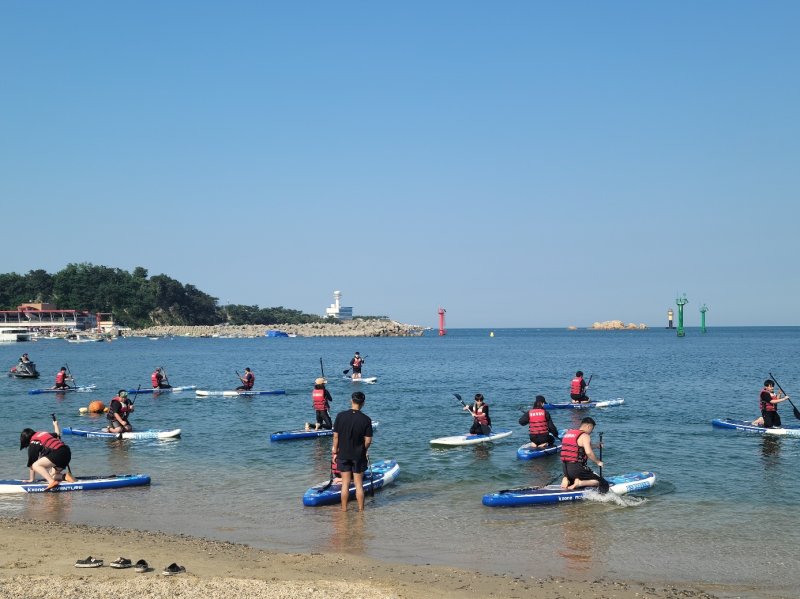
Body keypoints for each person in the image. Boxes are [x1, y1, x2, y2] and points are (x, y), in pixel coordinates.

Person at [331, 391, 373, 511]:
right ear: (363, 403)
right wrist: (364, 450)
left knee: (345, 484)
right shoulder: (366, 420)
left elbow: (336, 436)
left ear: (351, 400)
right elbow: (368, 440)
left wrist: (335, 452)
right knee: (359, 485)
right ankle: (361, 511)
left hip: (343, 454)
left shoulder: (340, 416)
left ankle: (344, 510)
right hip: (358, 455)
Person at [560, 417, 608, 492]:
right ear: (589, 426)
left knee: (575, 475)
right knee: (602, 482)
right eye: (592, 429)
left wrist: (596, 445)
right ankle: (579, 483)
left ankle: (567, 479)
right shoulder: (585, 436)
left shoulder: (569, 433)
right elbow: (588, 452)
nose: (591, 432)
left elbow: (578, 446)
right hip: (576, 468)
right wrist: (598, 462)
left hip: (565, 468)